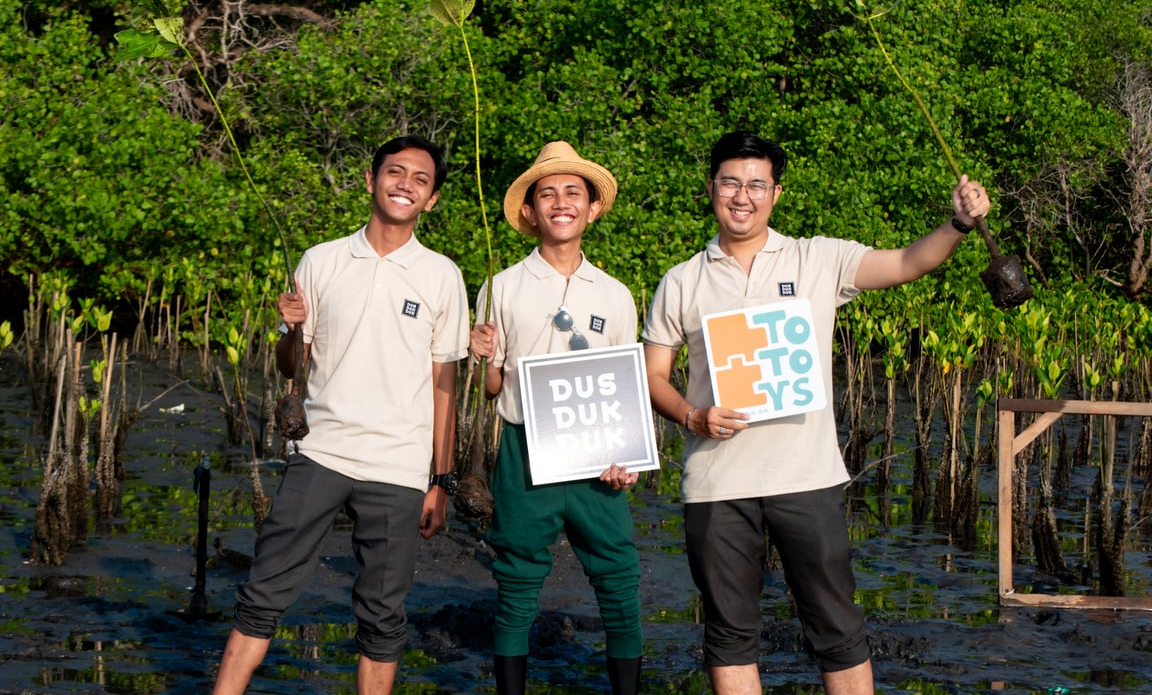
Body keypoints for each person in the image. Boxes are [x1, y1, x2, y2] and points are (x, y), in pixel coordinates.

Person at [642, 131, 991, 695]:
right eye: (731, 182)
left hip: (807, 478)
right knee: (729, 633)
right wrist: (692, 416)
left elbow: (906, 262)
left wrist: (957, 225)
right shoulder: (682, 279)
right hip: (715, 481)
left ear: (775, 194)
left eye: (756, 184)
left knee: (837, 627)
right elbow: (655, 376)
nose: (742, 196)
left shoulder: (818, 257)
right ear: (711, 188)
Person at [212, 135, 470, 695]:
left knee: (382, 616)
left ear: (431, 201)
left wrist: (441, 481)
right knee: (263, 591)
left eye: (420, 179)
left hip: (398, 468)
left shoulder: (442, 275)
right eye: (394, 172)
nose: (405, 184)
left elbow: (443, 385)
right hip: (321, 452)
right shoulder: (322, 259)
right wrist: (292, 327)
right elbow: (289, 367)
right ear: (371, 180)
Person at [468, 141, 644, 695]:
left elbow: (624, 391)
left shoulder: (615, 295)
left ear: (592, 208)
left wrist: (630, 459)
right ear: (530, 211)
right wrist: (481, 357)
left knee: (619, 581)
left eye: (574, 193)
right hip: (524, 451)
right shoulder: (501, 287)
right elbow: (493, 387)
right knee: (517, 583)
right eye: (548, 194)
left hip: (598, 459)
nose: (561, 202)